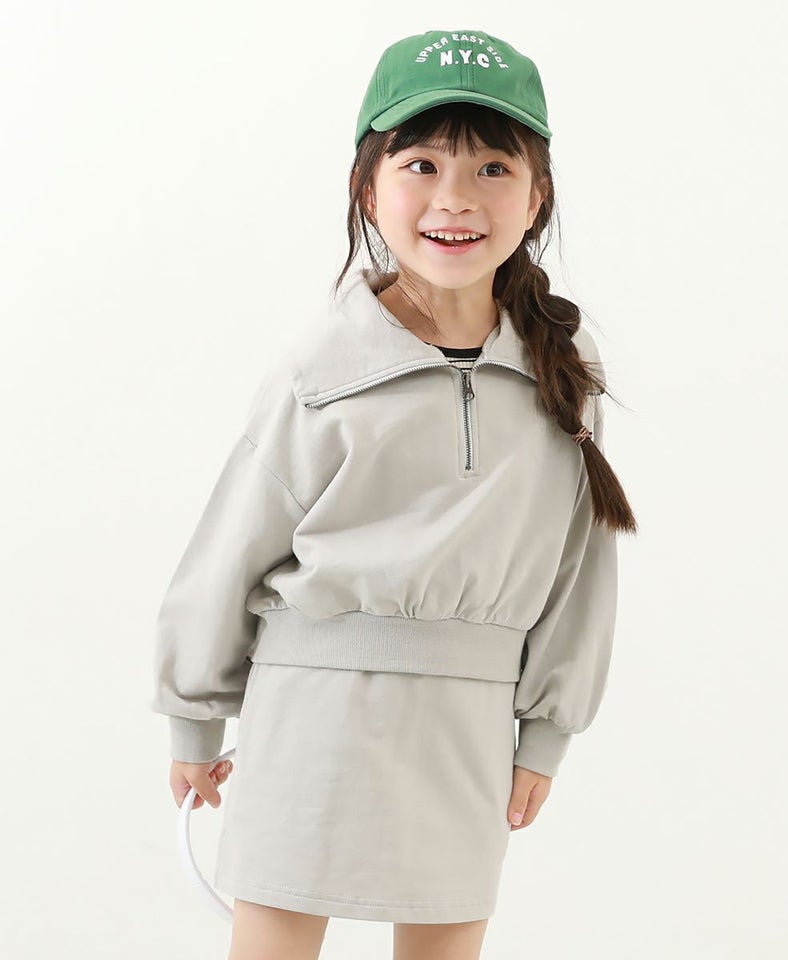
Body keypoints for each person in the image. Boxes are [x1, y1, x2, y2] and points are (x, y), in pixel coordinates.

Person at [151, 27, 637, 960]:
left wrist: (546, 734)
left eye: (494, 167)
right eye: (421, 165)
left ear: (537, 195)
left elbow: (582, 569)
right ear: (368, 189)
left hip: (467, 726)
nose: (457, 198)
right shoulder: (320, 368)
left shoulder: (563, 372)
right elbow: (231, 545)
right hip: (310, 716)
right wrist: (193, 718)